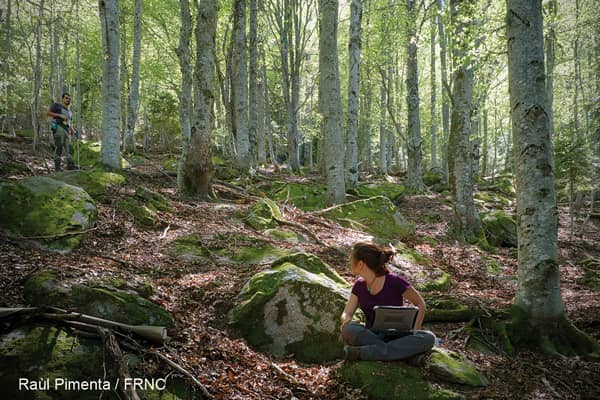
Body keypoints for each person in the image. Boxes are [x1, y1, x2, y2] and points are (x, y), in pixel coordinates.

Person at [340, 242, 436, 363]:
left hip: (399, 335)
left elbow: (420, 303)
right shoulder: (359, 285)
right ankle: (407, 356)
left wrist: (416, 329)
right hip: (372, 335)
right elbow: (347, 312)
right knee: (349, 329)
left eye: (351, 258)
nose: (350, 262)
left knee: (429, 338)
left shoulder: (394, 281)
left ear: (360, 264)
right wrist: (346, 319)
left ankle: (363, 352)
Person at [47, 93, 76, 171]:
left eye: (69, 99)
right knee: (59, 146)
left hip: (67, 130)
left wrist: (73, 131)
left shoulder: (70, 112)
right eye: (66, 98)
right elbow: (48, 113)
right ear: (62, 99)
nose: (68, 100)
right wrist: (60, 115)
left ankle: (70, 166)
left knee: (69, 147)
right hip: (58, 127)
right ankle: (57, 168)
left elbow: (69, 122)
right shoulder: (56, 105)